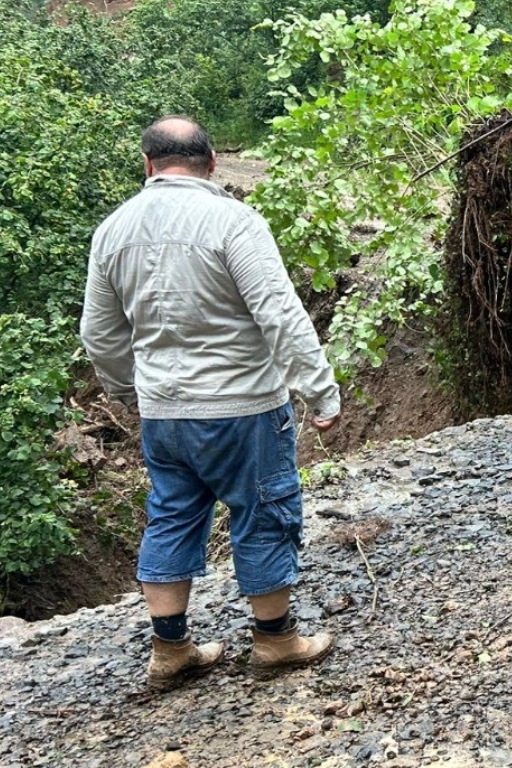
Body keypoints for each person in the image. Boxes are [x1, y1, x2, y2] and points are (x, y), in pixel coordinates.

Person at [80, 117, 342, 689]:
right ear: (213, 162)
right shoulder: (234, 222)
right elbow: (279, 314)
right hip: (242, 406)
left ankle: (170, 650)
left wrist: (130, 392)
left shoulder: (112, 230)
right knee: (263, 511)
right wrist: (319, 389)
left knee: (172, 515)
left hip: (163, 413)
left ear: (147, 163)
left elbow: (99, 334)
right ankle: (276, 642)